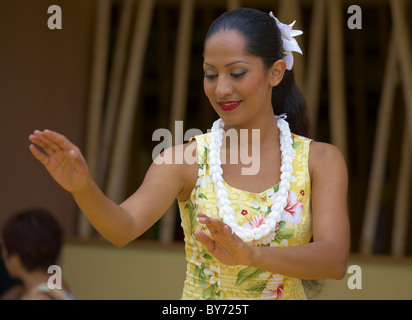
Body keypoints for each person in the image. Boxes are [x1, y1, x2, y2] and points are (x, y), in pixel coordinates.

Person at [28, 8, 349, 300]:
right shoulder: (183, 161)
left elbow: (334, 259)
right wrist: (83, 188)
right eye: (211, 73)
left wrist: (251, 256)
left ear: (275, 73)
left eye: (236, 73)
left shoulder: (319, 160)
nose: (221, 88)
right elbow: (122, 228)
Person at [1, 208, 74, 300]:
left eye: (6, 249)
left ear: (17, 255)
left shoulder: (38, 297)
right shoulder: (58, 284)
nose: (4, 257)